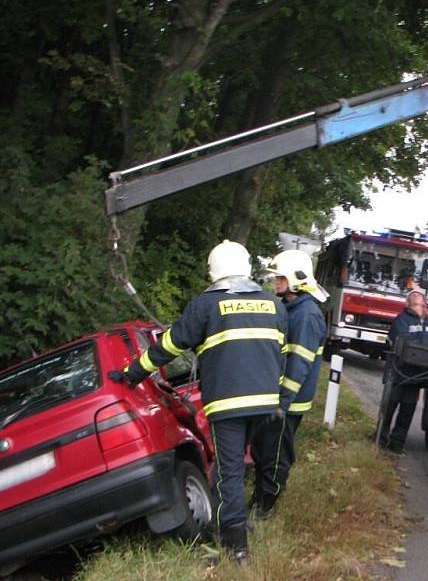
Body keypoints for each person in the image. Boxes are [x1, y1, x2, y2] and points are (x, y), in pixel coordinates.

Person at [108, 240, 287, 564]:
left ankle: (237, 549)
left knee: (229, 471)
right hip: (265, 403)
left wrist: (132, 373)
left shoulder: (206, 305)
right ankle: (230, 524)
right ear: (246, 267)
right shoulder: (273, 304)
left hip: (229, 404)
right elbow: (281, 352)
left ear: (214, 271)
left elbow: (169, 346)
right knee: (229, 467)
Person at [250, 249, 328, 519]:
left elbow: (298, 364)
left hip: (287, 401)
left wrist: (282, 403)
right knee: (262, 448)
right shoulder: (290, 308)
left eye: (281, 277)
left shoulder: (306, 315)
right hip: (276, 397)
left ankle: (266, 506)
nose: (276, 282)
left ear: (297, 279)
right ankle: (259, 497)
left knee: (275, 454)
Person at [378, 290, 428, 454]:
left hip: (416, 377)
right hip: (398, 374)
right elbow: (401, 341)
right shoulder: (401, 321)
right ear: (408, 304)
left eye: (421, 302)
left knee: (407, 411)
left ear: (425, 305)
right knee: (389, 407)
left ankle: (397, 444)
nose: (419, 305)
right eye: (415, 301)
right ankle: (380, 438)